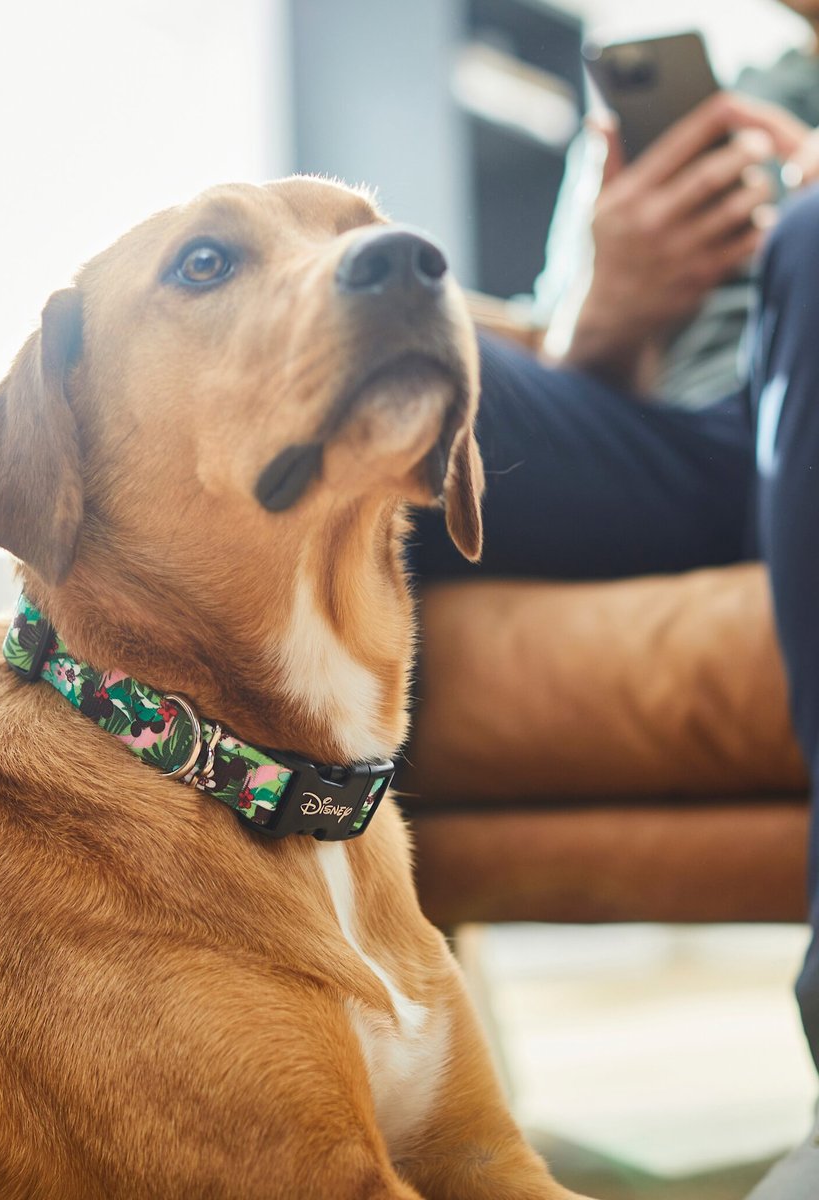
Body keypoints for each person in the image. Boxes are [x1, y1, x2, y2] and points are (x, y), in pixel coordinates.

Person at [406, 6, 819, 1197]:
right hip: (683, 450)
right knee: (367, 379)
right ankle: (284, 1023)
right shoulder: (694, 105)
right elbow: (579, 372)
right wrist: (615, 304)